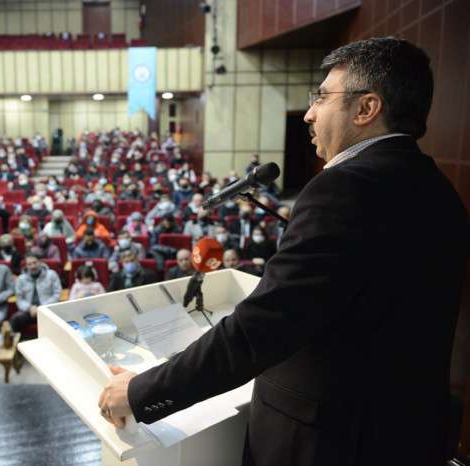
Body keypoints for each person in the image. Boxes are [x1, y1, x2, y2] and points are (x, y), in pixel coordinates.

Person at [98, 38, 469, 466]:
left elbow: (261, 328)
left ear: (366, 108)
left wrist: (141, 391)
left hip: (330, 444)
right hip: (406, 434)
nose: (309, 113)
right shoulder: (441, 191)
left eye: (322, 97)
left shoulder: (345, 188)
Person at [11, 254, 62, 333]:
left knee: (60, 318)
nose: (32, 266)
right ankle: (19, 339)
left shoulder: (51, 274)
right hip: (29, 311)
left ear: (40, 262)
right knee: (16, 319)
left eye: (35, 262)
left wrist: (41, 307)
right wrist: (30, 308)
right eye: (29, 264)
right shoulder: (21, 279)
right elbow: (19, 299)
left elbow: (57, 294)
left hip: (47, 309)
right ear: (26, 266)